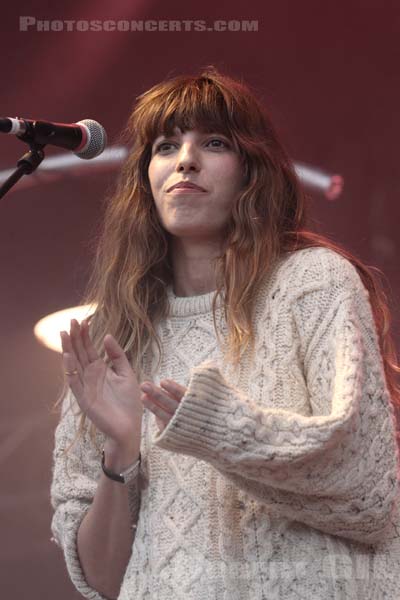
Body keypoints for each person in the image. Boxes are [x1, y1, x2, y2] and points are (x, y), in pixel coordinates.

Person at [50, 66, 400, 600]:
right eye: (166, 145)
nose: (185, 159)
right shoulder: (112, 335)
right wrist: (121, 450)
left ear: (250, 170)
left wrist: (214, 426)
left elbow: (368, 492)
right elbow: (103, 580)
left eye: (213, 142)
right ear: (145, 177)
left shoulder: (312, 282)